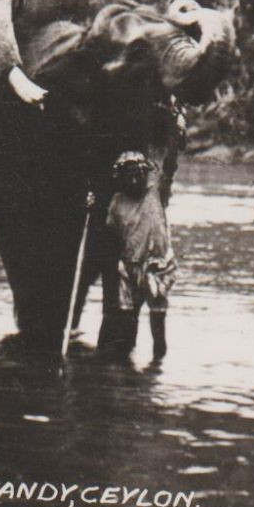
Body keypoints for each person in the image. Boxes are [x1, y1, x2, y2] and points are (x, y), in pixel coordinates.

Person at [96, 150, 179, 359]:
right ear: (121, 179)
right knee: (126, 319)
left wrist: (175, 138)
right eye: (128, 176)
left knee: (158, 323)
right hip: (130, 266)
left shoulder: (157, 192)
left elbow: (170, 166)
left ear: (146, 175)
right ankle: (127, 368)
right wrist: (91, 204)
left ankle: (156, 369)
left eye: (138, 174)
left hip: (157, 267)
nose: (134, 180)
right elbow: (110, 236)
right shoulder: (117, 202)